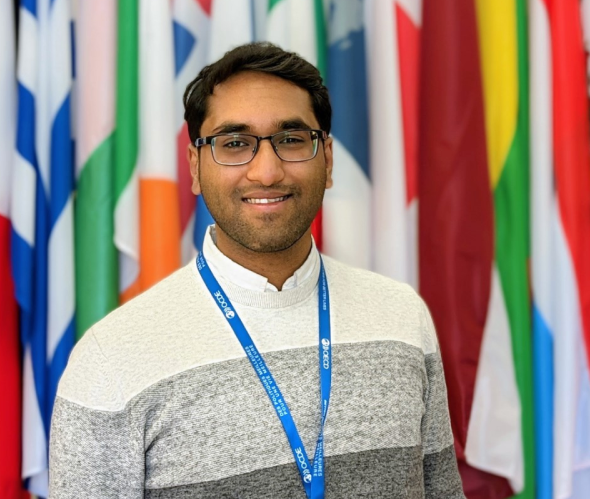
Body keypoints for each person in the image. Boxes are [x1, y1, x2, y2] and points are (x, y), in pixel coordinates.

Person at [49, 42, 464, 498]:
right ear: (194, 165)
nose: (266, 172)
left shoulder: (402, 317)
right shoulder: (112, 359)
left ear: (327, 159)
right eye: (234, 144)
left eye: (290, 140)